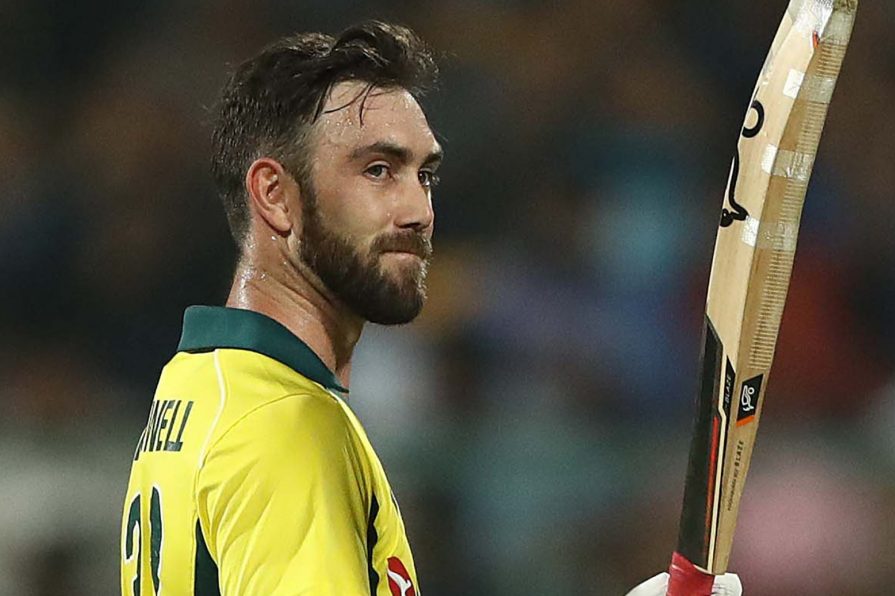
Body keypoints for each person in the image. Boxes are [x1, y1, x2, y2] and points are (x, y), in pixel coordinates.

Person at [119, 20, 741, 595]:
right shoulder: (288, 425)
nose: (419, 210)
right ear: (275, 196)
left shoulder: (198, 383)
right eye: (379, 170)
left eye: (425, 176)